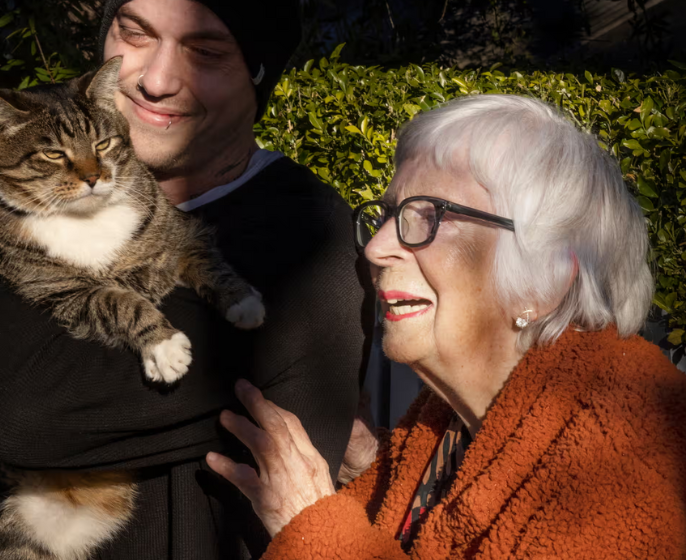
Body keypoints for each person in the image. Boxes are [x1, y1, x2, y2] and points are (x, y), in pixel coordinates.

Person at [0, 1, 373, 558]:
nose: (156, 81)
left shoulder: (300, 238)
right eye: (134, 34)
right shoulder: (25, 221)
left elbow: (25, 420)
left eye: (206, 53)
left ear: (257, 79)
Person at [207, 94, 686, 559]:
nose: (375, 249)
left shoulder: (619, 469)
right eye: (390, 213)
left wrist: (312, 528)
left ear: (549, 280)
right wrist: (366, 464)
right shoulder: (454, 418)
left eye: (430, 217)